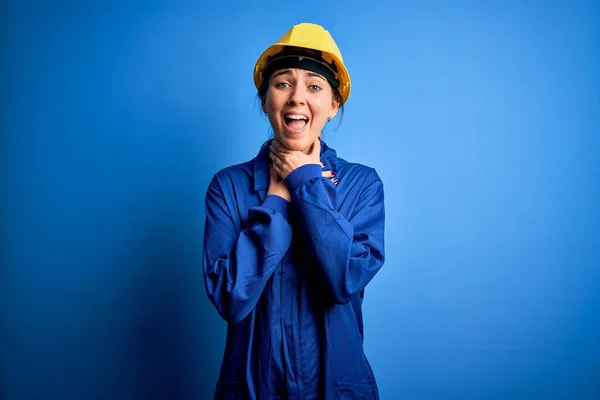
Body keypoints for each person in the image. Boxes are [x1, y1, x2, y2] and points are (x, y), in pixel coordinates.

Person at [202, 22, 385, 400]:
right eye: (283, 83)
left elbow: (344, 280)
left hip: (335, 388)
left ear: (333, 106)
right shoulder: (228, 187)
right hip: (253, 389)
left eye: (315, 87)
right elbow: (231, 298)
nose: (297, 98)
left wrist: (304, 184)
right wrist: (276, 200)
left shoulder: (362, 186)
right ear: (266, 98)